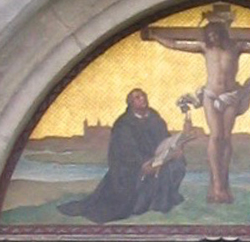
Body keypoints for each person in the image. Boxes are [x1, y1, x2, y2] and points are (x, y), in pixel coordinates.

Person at [143, 4, 250, 203]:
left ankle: (224, 183)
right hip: (211, 96)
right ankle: (216, 185)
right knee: (215, 137)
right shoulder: (204, 47)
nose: (214, 38)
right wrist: (155, 36)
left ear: (222, 34)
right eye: (211, 35)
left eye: (217, 34)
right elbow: (176, 44)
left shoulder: (236, 47)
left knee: (226, 138)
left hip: (231, 95)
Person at [57, 89, 187, 223]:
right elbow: (125, 151)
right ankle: (142, 204)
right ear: (131, 103)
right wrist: (143, 164)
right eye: (137, 97)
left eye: (143, 96)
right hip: (130, 166)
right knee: (137, 181)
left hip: (158, 158)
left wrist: (175, 149)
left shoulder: (154, 117)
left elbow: (165, 139)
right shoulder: (123, 124)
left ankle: (164, 200)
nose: (142, 99)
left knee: (178, 163)